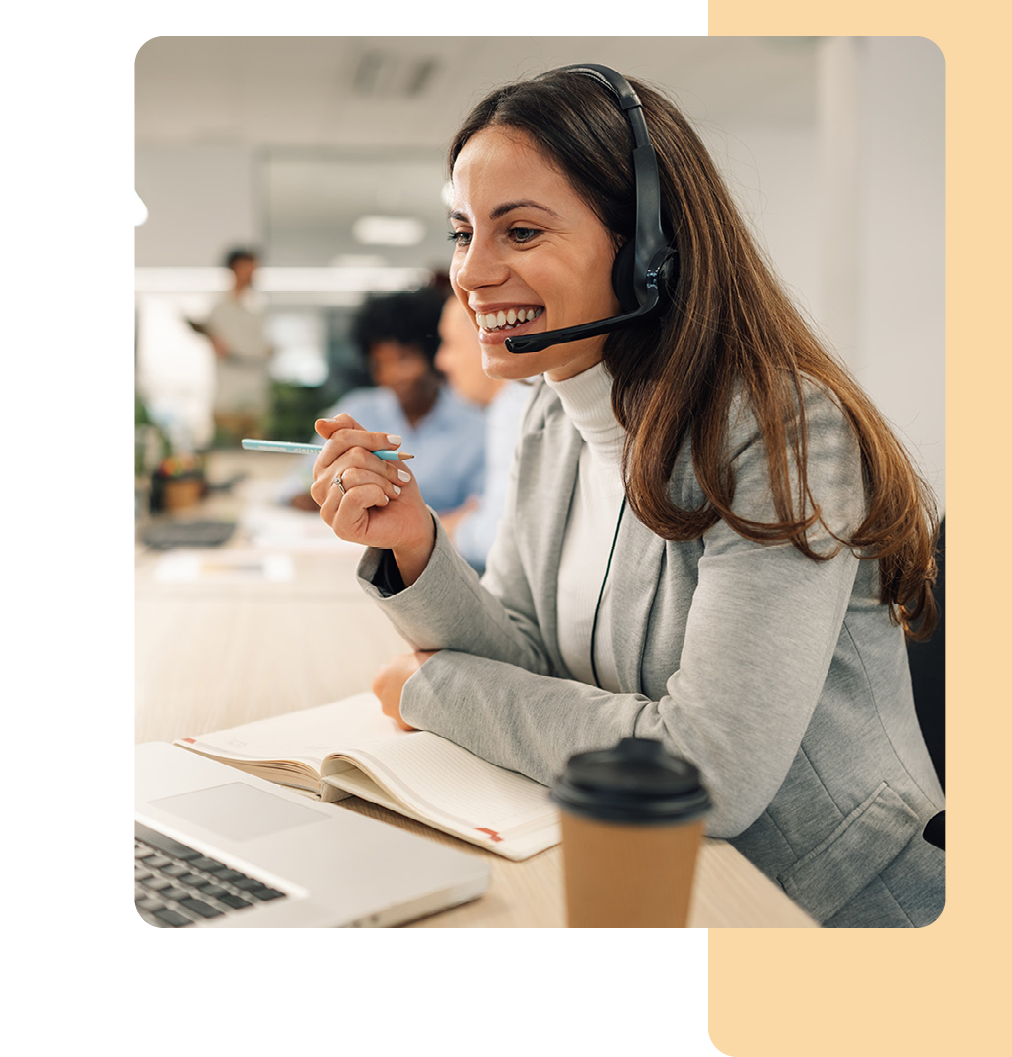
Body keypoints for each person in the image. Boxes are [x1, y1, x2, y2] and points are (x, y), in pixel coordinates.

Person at [305, 66, 945, 929]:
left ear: (648, 247)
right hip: (655, 879)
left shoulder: (784, 431)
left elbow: (703, 775)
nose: (471, 274)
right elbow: (526, 654)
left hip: (824, 912)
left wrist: (435, 690)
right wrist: (415, 547)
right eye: (464, 232)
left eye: (520, 232)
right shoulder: (551, 419)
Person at [283, 286, 486, 516]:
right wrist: (329, 488)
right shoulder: (355, 412)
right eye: (380, 363)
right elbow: (296, 487)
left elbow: (481, 512)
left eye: (403, 360)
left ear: (433, 356)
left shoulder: (474, 426)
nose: (390, 375)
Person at [433, 295, 532, 572]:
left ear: (488, 339)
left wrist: (444, 530)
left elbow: (501, 539)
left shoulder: (518, 406)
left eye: (449, 343)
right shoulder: (513, 404)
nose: (442, 361)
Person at [202, 248, 272, 444]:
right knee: (227, 450)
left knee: (257, 452)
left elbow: (264, 347)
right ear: (235, 268)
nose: (253, 272)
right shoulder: (219, 308)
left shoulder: (257, 307)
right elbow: (217, 344)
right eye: (249, 267)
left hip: (255, 397)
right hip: (228, 398)